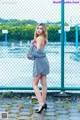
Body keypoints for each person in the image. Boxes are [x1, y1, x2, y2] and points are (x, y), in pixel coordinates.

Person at [27, 23, 50, 113]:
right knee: (43, 83)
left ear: (44, 30)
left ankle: (41, 104)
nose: (38, 30)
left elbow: (37, 52)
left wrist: (31, 45)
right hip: (43, 61)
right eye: (37, 28)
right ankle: (43, 102)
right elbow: (40, 52)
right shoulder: (43, 38)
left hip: (40, 62)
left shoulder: (39, 38)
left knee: (34, 83)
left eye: (41, 29)